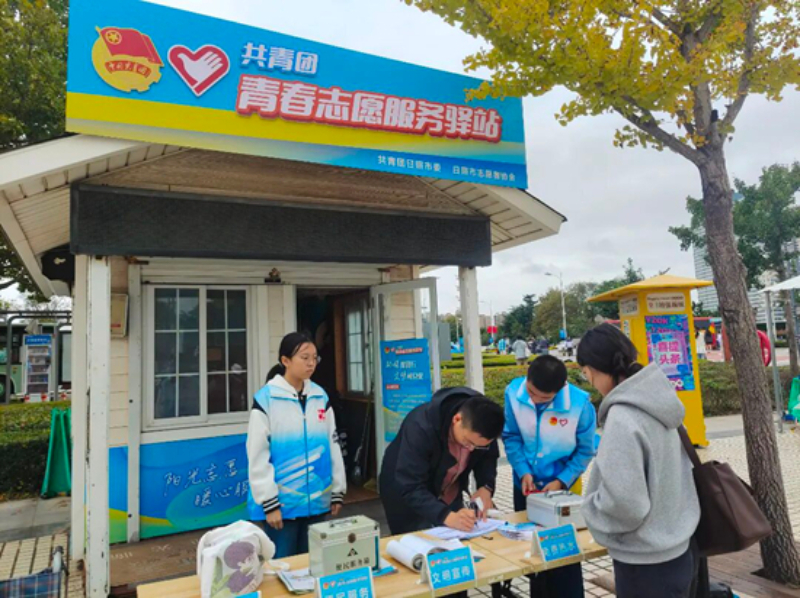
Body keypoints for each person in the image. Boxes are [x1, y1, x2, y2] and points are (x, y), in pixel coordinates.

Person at [577, 324, 700, 598]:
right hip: (680, 551)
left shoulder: (623, 418)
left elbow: (626, 504)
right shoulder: (660, 400)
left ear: (594, 370)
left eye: (585, 374)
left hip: (645, 566)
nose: (590, 382)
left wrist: (591, 511)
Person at [503, 355, 597, 597]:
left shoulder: (580, 404)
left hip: (563, 490)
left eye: (544, 398)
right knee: (535, 554)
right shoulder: (513, 393)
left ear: (561, 388)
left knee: (565, 555)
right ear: (527, 378)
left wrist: (562, 480)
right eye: (531, 393)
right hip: (526, 487)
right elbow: (511, 436)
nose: (535, 401)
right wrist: (523, 471)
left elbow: (586, 450)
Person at [247, 332, 347, 558]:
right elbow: (257, 454)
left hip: (317, 500)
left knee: (315, 563)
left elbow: (332, 445)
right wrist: (269, 503)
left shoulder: (320, 396)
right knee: (282, 564)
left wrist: (337, 490)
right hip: (282, 507)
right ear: (285, 361)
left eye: (314, 358)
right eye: (304, 357)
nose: (311, 363)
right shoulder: (266, 399)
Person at [379, 387, 504, 535]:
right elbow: (411, 485)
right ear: (456, 419)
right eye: (468, 442)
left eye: (478, 446)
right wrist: (446, 516)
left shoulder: (485, 423)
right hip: (406, 490)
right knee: (416, 540)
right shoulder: (421, 426)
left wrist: (486, 487)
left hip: (449, 489)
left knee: (459, 532)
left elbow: (488, 457)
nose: (471, 449)